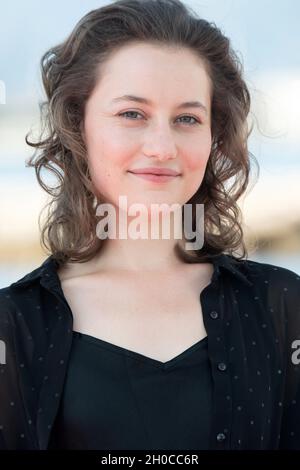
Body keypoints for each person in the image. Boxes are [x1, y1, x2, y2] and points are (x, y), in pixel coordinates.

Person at [0, 0, 299, 451]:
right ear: (77, 125)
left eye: (187, 119)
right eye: (132, 114)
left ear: (213, 136)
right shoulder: (14, 324)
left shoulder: (281, 307)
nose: (162, 146)